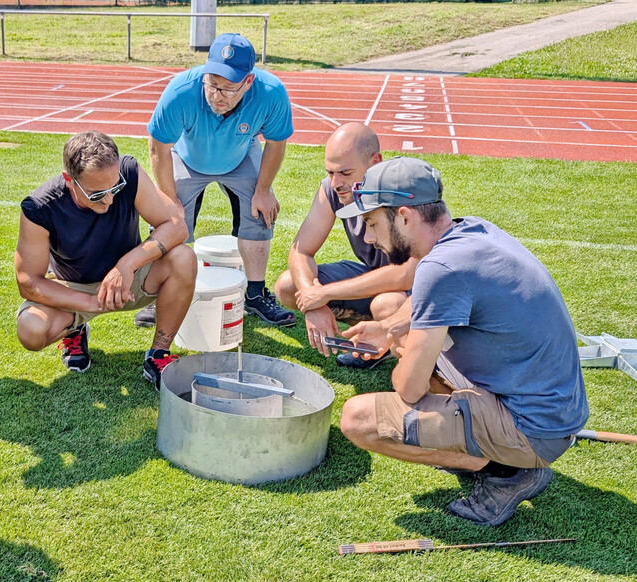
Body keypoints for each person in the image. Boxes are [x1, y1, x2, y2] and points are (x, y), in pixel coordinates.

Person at [336, 157, 588, 527]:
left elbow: (407, 388)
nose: (370, 237)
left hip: (534, 430)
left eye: (373, 224)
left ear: (404, 216)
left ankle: (507, 471)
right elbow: (428, 306)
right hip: (553, 409)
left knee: (357, 419)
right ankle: (485, 441)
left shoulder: (439, 270)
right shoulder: (471, 231)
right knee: (391, 307)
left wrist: (397, 351)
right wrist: (389, 328)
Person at [15, 131, 196, 387]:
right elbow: (28, 282)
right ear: (69, 180)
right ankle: (75, 329)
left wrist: (127, 264)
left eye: (115, 188)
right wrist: (90, 302)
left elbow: (177, 226)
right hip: (72, 285)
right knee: (31, 330)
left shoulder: (130, 171)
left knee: (183, 257)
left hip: (131, 278)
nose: (110, 200)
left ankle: (158, 353)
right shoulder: (40, 207)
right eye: (97, 194)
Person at [142, 32, 295, 328]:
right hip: (186, 156)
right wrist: (169, 199)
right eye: (212, 84)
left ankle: (254, 293)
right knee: (168, 220)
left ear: (248, 82)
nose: (216, 95)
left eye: (227, 89)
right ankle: (163, 293)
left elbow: (276, 143)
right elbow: (157, 147)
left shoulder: (271, 92)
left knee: (260, 211)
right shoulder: (181, 90)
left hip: (239, 155)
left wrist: (263, 190)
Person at [273, 123, 415, 369]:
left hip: (416, 290)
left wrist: (324, 294)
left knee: (387, 305)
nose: (336, 182)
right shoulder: (331, 188)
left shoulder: (401, 191)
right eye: (330, 172)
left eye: (346, 173)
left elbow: (406, 274)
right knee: (287, 285)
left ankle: (397, 354)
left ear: (375, 162)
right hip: (377, 278)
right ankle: (370, 340)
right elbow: (300, 251)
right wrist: (311, 302)